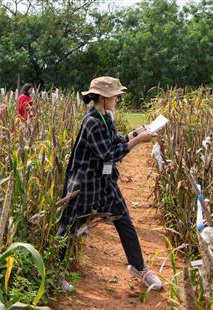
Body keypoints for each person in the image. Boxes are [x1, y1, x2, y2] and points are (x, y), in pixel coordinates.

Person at [58, 76, 162, 292]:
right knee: (69, 226)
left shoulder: (106, 117)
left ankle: (138, 267)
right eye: (115, 95)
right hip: (85, 183)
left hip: (105, 182)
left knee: (124, 220)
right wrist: (138, 141)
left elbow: (115, 141)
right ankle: (56, 272)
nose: (118, 98)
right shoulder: (92, 121)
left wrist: (137, 133)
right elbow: (108, 154)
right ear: (103, 97)